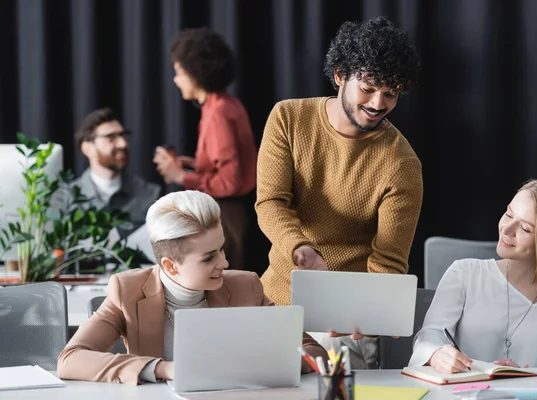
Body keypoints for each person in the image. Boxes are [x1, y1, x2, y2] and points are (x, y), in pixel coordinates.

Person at [255, 16, 423, 369]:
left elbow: (389, 259)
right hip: (275, 304)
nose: (378, 103)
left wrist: (367, 311)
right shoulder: (288, 117)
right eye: (368, 87)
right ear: (340, 76)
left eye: (390, 93)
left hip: (343, 325)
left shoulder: (401, 162)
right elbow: (270, 202)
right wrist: (301, 249)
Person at [57, 190, 327, 385]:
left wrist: (261, 366)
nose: (225, 262)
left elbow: (314, 352)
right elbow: (71, 359)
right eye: (209, 257)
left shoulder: (246, 286)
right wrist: (163, 369)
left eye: (221, 248)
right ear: (170, 266)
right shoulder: (127, 290)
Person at [409, 179, 537, 372]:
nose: (506, 229)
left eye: (525, 228)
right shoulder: (463, 274)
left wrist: (527, 379)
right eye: (509, 214)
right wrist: (436, 353)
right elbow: (430, 335)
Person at [153, 27, 257, 271]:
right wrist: (193, 164)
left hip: (226, 216)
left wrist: (182, 177)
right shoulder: (221, 104)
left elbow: (230, 182)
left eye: (179, 72)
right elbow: (224, 164)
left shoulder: (218, 113)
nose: (175, 80)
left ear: (196, 73)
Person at [73, 108, 160, 235]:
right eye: (111, 138)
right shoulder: (68, 198)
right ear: (87, 148)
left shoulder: (150, 195)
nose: (123, 144)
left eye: (123, 135)